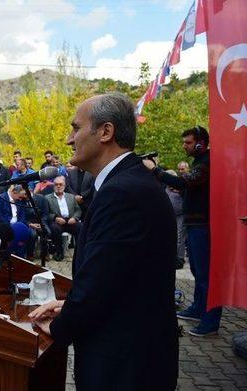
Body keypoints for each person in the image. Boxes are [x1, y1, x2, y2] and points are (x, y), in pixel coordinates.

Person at [29, 93, 178, 390]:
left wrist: (58, 327)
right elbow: (118, 277)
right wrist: (69, 305)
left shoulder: (121, 192)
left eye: (76, 128)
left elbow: (98, 284)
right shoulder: (128, 182)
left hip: (125, 366)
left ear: (106, 132)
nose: (70, 139)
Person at [143, 126, 220, 336]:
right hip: (194, 224)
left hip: (203, 225)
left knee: (206, 275)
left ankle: (210, 320)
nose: (184, 146)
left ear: (200, 143)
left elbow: (183, 181)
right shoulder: (199, 162)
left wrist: (155, 170)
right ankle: (198, 308)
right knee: (197, 271)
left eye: (188, 142)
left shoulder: (206, 162)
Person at [45, 176, 82, 261]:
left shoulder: (71, 197)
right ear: (53, 186)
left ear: (64, 186)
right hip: (57, 222)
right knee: (54, 228)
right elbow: (46, 213)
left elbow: (78, 210)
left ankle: (80, 252)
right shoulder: (47, 198)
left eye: (61, 184)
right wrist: (55, 218)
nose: (58, 186)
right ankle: (59, 251)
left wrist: (75, 218)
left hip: (70, 221)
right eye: (56, 184)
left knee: (81, 227)